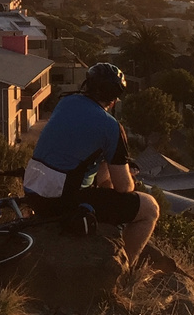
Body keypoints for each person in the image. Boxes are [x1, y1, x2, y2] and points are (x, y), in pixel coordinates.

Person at [23, 62, 160, 266]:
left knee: (104, 174)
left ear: (87, 85)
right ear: (113, 100)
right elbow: (123, 187)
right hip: (60, 200)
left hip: (33, 191)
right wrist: (131, 179)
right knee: (150, 208)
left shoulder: (65, 103)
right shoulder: (111, 126)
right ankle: (126, 269)